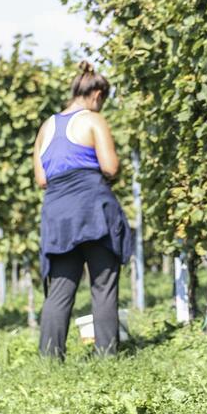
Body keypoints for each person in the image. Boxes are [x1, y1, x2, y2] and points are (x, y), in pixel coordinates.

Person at [33, 62, 133, 358]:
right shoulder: (93, 120)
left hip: (59, 215)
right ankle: (106, 356)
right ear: (97, 95)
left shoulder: (46, 126)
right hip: (93, 211)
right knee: (103, 284)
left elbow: (41, 179)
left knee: (60, 290)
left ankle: (50, 359)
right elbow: (110, 166)